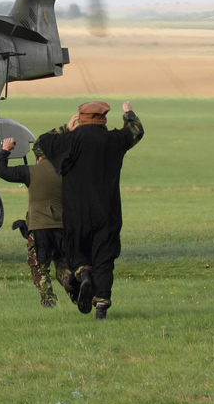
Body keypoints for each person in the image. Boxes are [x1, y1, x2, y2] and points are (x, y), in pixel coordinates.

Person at [36, 100, 144, 320]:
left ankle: (84, 273)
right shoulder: (113, 139)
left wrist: (67, 127)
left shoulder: (68, 139)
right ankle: (101, 305)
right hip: (107, 210)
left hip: (76, 211)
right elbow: (136, 131)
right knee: (104, 255)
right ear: (103, 119)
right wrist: (128, 114)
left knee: (78, 250)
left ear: (81, 117)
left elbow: (39, 144)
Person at [0, 136, 76, 308]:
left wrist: (5, 150)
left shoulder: (29, 171)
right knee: (62, 262)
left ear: (38, 156)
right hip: (62, 227)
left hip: (39, 227)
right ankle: (68, 280)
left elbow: (1, 171)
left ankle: (49, 300)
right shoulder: (65, 171)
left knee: (39, 267)